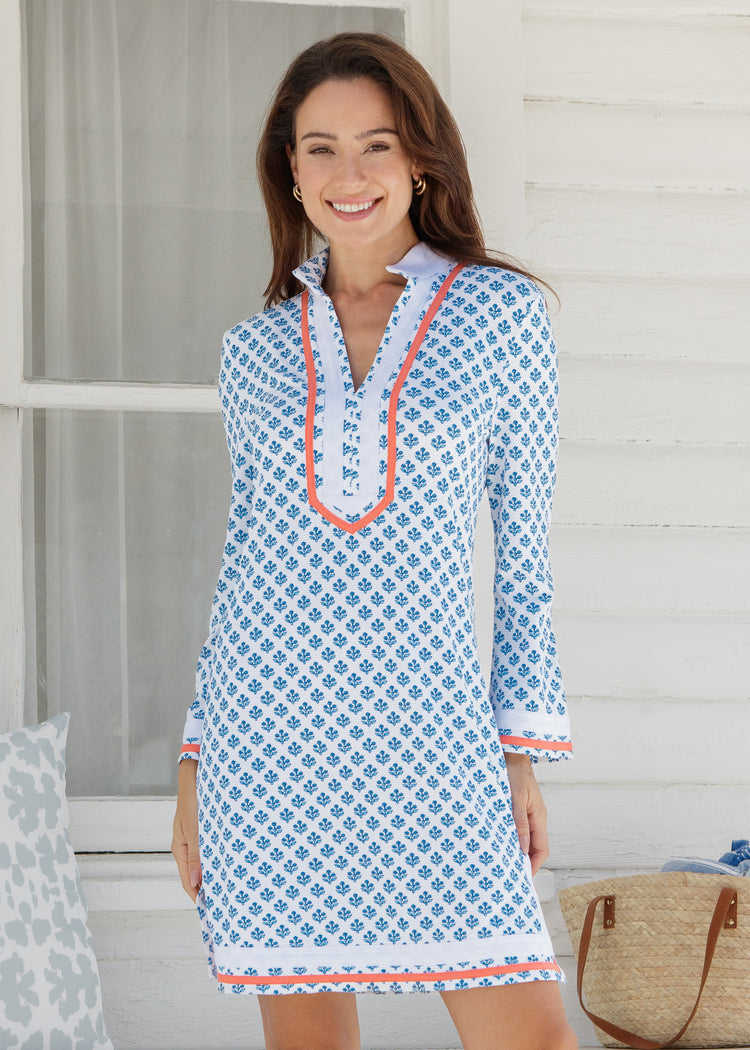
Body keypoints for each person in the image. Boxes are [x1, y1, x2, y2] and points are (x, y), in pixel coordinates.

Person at [172, 30, 577, 1050]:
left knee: (528, 1034)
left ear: (422, 159)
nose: (348, 175)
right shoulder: (255, 348)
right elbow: (246, 568)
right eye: (319, 148)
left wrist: (519, 755)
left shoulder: (501, 318)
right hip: (268, 748)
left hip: (436, 743)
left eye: (377, 145)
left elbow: (524, 556)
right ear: (289, 168)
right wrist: (193, 765)